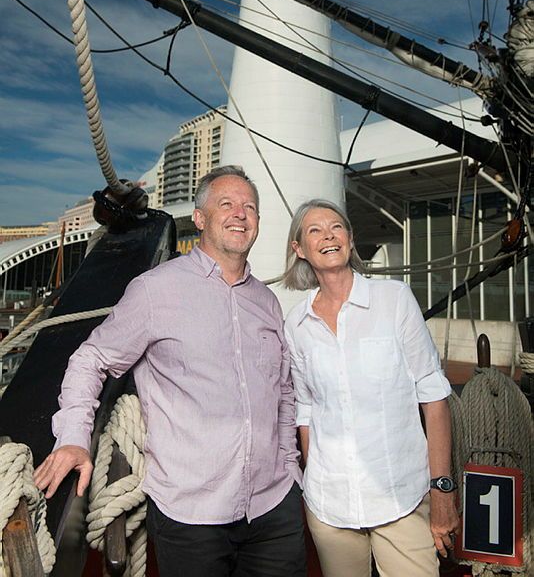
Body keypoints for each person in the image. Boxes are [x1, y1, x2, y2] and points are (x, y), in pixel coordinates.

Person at [34, 165, 306, 577]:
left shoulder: (266, 302)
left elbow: (282, 391)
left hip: (273, 507)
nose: (240, 214)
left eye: (249, 207)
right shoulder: (155, 290)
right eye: (226, 204)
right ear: (200, 218)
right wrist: (74, 439)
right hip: (191, 511)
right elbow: (91, 359)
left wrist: (290, 468)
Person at [282, 199, 460, 577]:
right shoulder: (296, 324)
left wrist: (442, 489)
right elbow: (307, 408)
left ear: (349, 238)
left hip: (401, 501)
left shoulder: (393, 300)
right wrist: (317, 475)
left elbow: (433, 395)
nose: (328, 236)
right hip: (330, 509)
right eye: (314, 230)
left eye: (336, 227)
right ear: (299, 249)